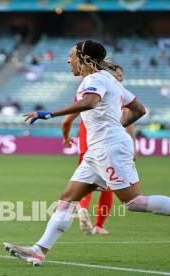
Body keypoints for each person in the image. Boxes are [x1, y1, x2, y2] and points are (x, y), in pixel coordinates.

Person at [4, 40, 170, 266]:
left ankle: (39, 250)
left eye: (71, 55)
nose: (68, 60)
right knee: (67, 199)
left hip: (109, 147)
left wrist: (48, 113)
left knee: (134, 203)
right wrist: (117, 127)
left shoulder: (95, 79)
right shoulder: (109, 80)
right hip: (98, 149)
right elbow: (138, 109)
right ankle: (39, 250)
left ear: (83, 58)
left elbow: (90, 102)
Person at [61, 64, 135, 235]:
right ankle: (98, 224)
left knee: (86, 183)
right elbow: (129, 121)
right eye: (118, 75)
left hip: (88, 142)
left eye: (121, 75)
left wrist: (65, 137)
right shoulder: (116, 94)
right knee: (113, 190)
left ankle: (83, 212)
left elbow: (66, 120)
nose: (120, 78)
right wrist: (133, 147)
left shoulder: (89, 91)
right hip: (105, 143)